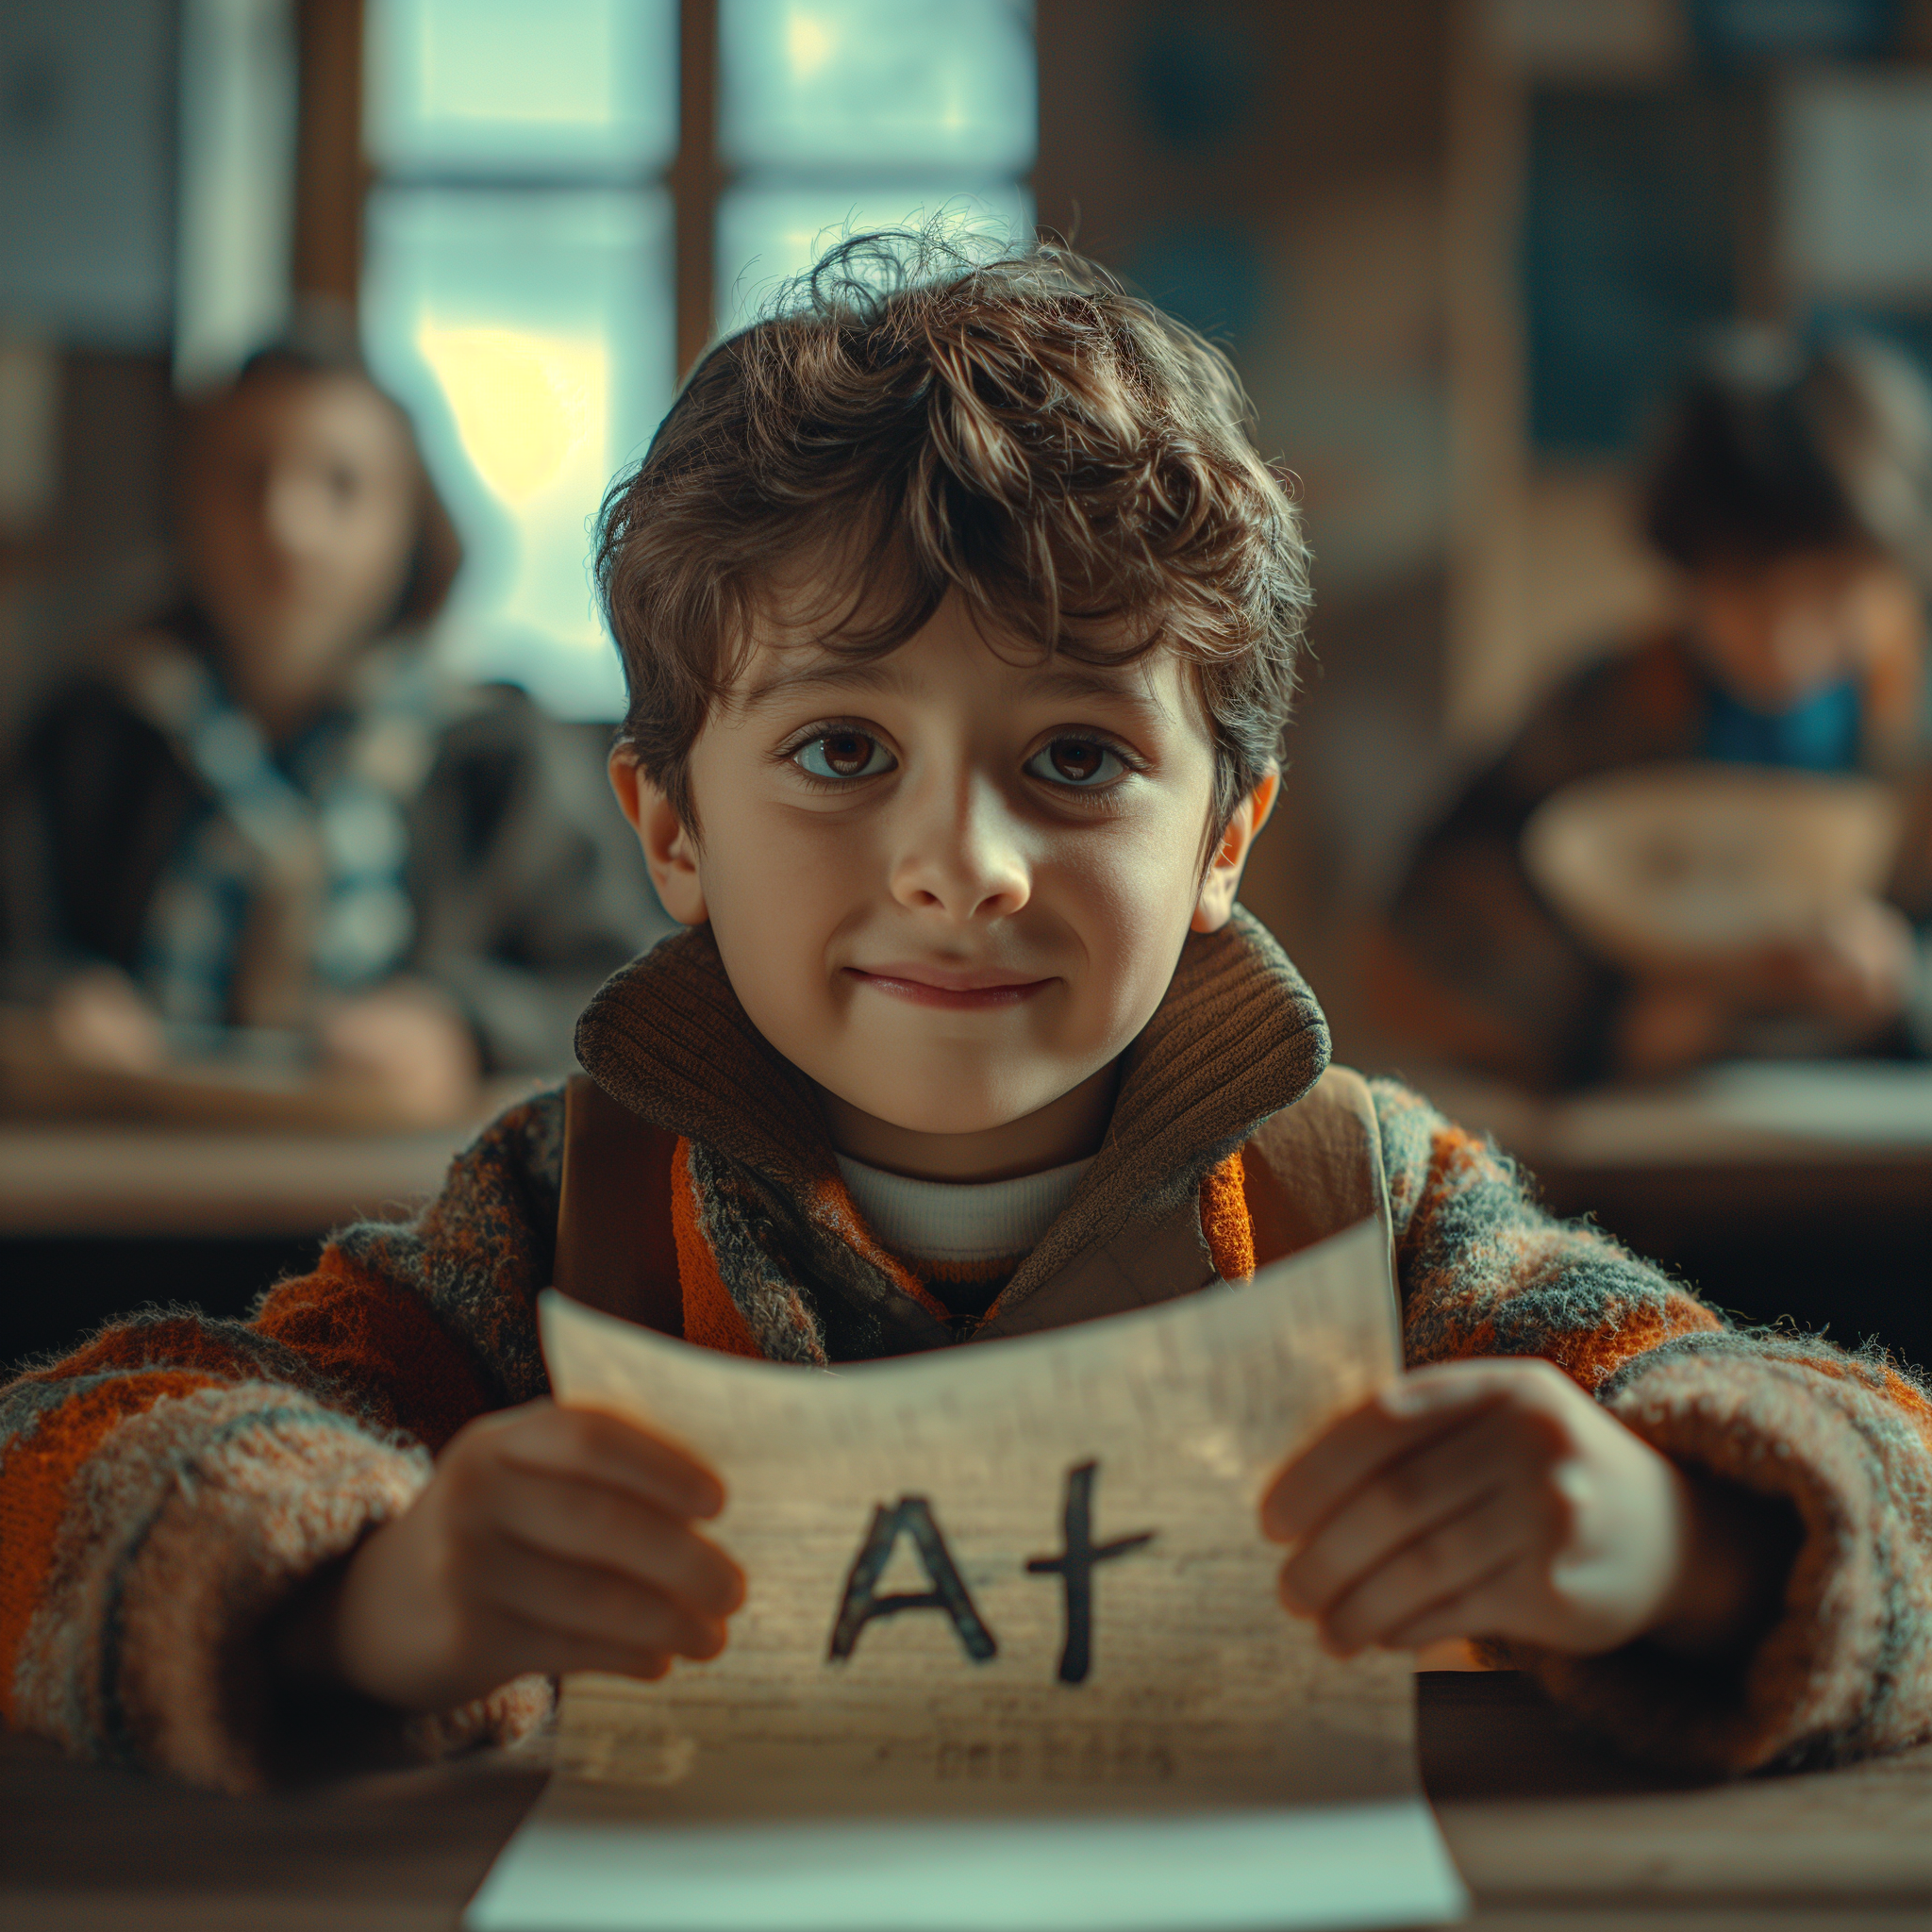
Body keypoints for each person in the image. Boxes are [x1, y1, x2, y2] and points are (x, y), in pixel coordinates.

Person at [2, 238, 1928, 1795]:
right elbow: (56, 1456)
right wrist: (367, 1596)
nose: (963, 866)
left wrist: (1680, 1541)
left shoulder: (1370, 1211)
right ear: (668, 827)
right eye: (841, 747)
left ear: (1224, 841)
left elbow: (1889, 1469)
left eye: (1078, 758)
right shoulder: (560, 1223)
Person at [0, 336, 669, 1118]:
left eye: (342, 486)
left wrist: (463, 1028)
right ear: (185, 505)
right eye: (246, 481)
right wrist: (52, 998)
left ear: (409, 523)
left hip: (416, 1205)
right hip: (127, 1187)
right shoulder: (91, 732)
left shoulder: (496, 748)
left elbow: (630, 983)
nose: (288, 525)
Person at [1385, 330, 1932, 1091]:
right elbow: (1430, 913)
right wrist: (1605, 1020)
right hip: (1647, 1166)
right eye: (1749, 593)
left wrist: (1904, 990)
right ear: (1685, 572)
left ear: (1894, 574)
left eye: (1834, 594)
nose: (1790, 642)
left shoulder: (1915, 737)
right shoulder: (1599, 719)